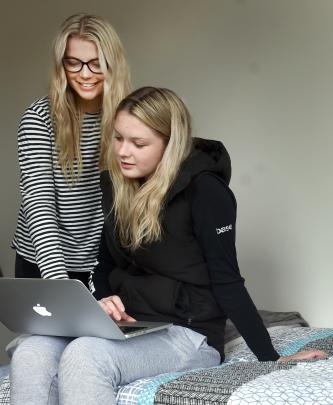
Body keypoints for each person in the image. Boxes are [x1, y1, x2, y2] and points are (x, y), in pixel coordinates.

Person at [10, 87, 326, 404]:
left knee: (86, 355)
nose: (122, 151)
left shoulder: (206, 192)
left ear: (169, 143)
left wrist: (269, 357)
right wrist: (104, 300)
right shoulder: (116, 185)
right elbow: (104, 267)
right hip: (132, 325)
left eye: (138, 143)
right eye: (118, 138)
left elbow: (227, 280)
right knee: (31, 351)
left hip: (189, 333)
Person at [12, 13, 131, 287]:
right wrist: (59, 282)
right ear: (61, 66)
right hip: (43, 261)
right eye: (74, 63)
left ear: (112, 64)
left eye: (95, 63)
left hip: (104, 262)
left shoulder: (129, 116)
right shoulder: (39, 117)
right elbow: (39, 204)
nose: (85, 74)